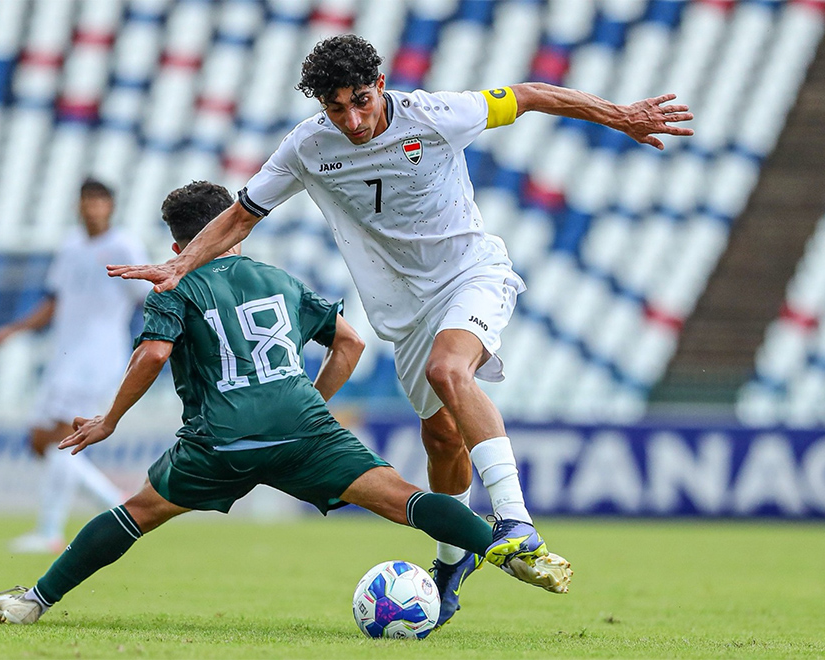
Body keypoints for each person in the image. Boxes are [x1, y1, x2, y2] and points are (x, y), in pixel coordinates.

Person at [107, 34, 694, 625]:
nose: (354, 119)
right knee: (440, 437)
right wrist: (182, 263)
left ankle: (516, 522)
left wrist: (618, 115)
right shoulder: (308, 147)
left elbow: (532, 93)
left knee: (450, 370)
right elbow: (241, 214)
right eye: (337, 108)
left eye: (362, 100)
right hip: (405, 311)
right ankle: (450, 564)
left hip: (471, 273)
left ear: (380, 84)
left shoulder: (437, 115)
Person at [0, 180, 562, 626]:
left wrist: (109, 420)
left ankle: (35, 601)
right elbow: (349, 342)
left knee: (137, 515)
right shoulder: (276, 278)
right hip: (303, 429)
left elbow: (154, 357)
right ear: (235, 230)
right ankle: (506, 547)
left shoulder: (175, 281)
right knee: (404, 500)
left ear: (179, 244)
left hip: (221, 441)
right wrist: (310, 403)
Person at [0, 178, 150, 553]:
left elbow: (147, 295)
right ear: (78, 205)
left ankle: (49, 531)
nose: (92, 208)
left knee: (63, 439)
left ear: (110, 206)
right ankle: (112, 498)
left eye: (99, 201)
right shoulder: (71, 245)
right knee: (38, 441)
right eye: (86, 201)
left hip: (98, 358)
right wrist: (11, 330)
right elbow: (54, 301)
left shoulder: (123, 245)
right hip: (64, 355)